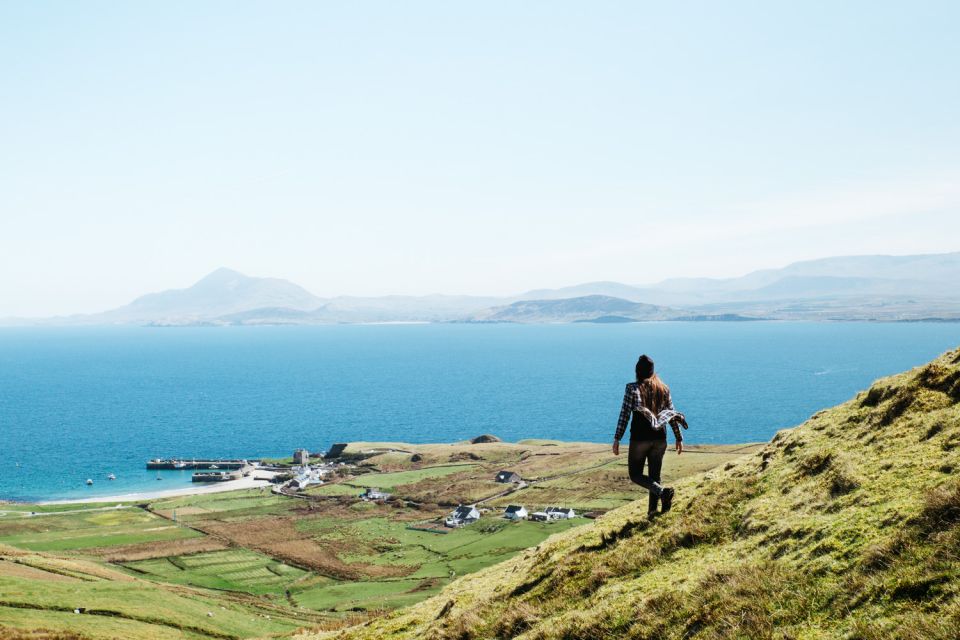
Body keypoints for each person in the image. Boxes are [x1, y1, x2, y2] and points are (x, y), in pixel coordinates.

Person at [612, 354, 688, 518]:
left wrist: (617, 437)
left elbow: (624, 414)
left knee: (635, 474)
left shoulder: (632, 388)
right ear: (652, 371)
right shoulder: (664, 388)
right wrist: (679, 438)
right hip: (660, 438)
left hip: (640, 438)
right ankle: (653, 513)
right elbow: (671, 414)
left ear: (637, 372)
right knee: (655, 476)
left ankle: (662, 493)